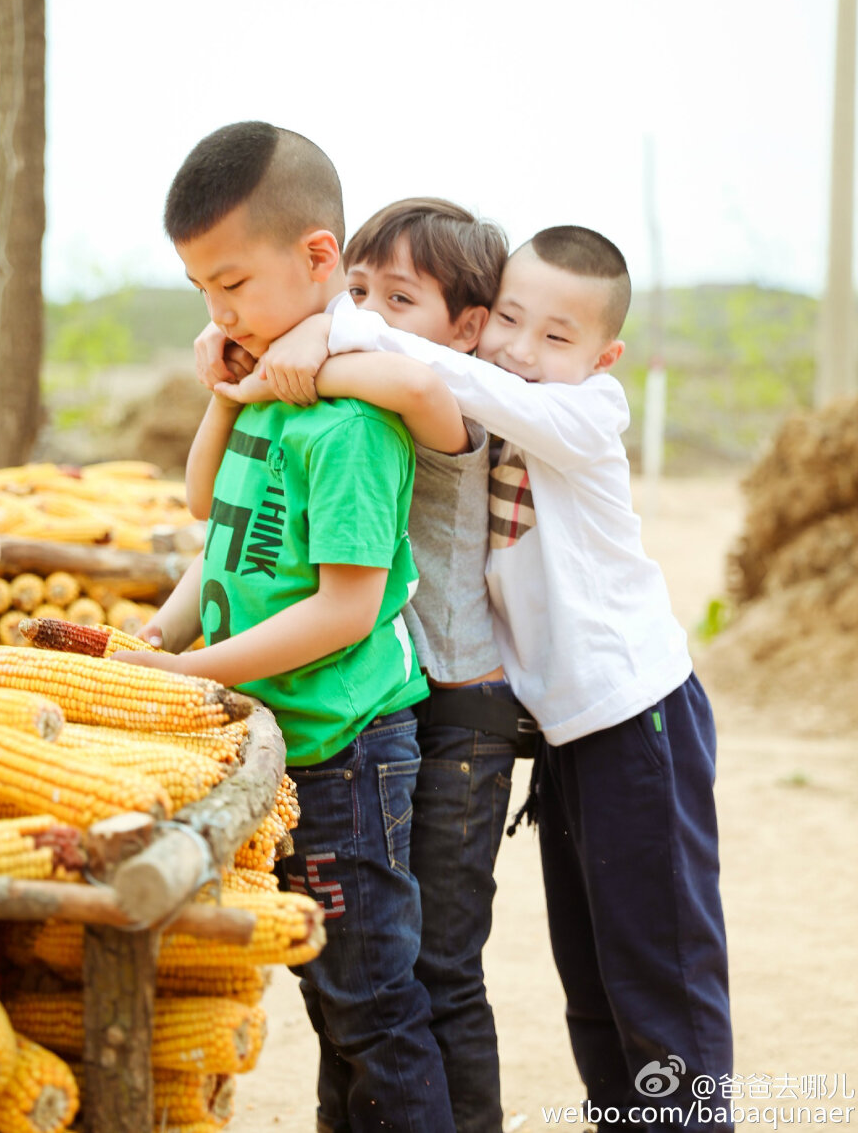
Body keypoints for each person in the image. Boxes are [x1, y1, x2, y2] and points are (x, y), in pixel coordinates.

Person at [228, 224, 733, 1133]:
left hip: (638, 717)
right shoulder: (499, 408)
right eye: (509, 318)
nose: (522, 350)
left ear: (605, 356)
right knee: (593, 987)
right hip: (564, 733)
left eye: (556, 337)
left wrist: (323, 339)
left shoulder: (587, 412)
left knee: (664, 981)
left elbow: (448, 377)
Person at [113, 121, 464, 1133]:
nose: (220, 312)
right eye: (201, 294)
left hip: (346, 752)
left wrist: (199, 674)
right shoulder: (270, 385)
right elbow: (205, 521)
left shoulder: (347, 421)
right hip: (283, 741)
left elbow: (345, 607)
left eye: (232, 285)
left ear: (317, 259)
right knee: (328, 997)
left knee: (372, 1005)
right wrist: (161, 643)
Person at [197, 195, 535, 1133]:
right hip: (393, 696)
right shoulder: (348, 400)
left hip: (459, 713)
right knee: (370, 978)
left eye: (401, 299)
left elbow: (419, 388)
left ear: (465, 329)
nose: (370, 314)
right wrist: (265, 369)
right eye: (359, 290)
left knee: (427, 974)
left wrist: (307, 357)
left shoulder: (430, 400)